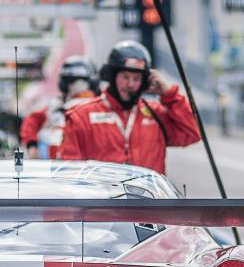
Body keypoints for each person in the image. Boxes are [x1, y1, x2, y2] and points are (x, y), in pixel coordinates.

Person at [59, 41, 200, 174]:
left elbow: (191, 134)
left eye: (136, 78)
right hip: (102, 198)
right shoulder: (81, 116)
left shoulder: (155, 114)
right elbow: (70, 171)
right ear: (112, 76)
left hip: (148, 198)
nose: (130, 84)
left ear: (145, 82)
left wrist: (169, 95)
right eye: (125, 77)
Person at [20, 55, 99, 159]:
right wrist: (32, 146)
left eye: (77, 82)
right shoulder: (57, 105)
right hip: (59, 167)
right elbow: (31, 121)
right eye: (71, 82)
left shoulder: (101, 106)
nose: (75, 87)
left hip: (91, 166)